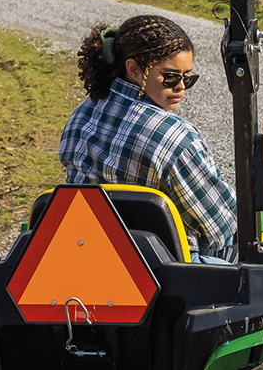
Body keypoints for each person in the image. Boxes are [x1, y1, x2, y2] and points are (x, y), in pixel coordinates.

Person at [60, 15, 237, 263]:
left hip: (86, 255)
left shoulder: (82, 113)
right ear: (134, 69)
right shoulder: (175, 138)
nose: (181, 87)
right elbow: (220, 228)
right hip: (161, 270)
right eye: (171, 77)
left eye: (188, 78)